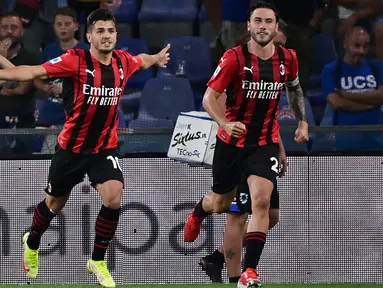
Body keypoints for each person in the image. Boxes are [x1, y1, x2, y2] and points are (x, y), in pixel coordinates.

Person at [0, 8, 170, 288]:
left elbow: (143, 60)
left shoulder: (123, 62)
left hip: (104, 148)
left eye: (111, 31)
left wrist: (157, 58)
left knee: (114, 197)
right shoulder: (74, 60)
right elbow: (32, 71)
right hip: (71, 149)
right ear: (89, 36)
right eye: (100, 31)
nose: (106, 36)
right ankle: (31, 241)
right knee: (54, 204)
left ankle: (97, 260)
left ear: (116, 35)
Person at [183, 2, 308, 287]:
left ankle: (246, 272)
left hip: (262, 144)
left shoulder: (288, 60)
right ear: (249, 26)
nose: (263, 26)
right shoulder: (233, 59)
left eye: (268, 22)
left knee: (262, 205)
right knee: (225, 205)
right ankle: (202, 210)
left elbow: (293, 90)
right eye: (258, 21)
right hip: (231, 144)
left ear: (276, 27)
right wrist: (225, 123)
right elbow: (208, 99)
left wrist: (302, 122)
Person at [199, 29, 289, 283]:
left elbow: (268, 118)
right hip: (237, 151)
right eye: (277, 43)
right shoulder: (237, 71)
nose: (279, 49)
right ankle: (235, 276)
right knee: (237, 213)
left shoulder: (274, 74)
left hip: (263, 148)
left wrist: (279, 146)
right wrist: (226, 126)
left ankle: (217, 258)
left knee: (270, 215)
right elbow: (214, 105)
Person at [324, 26, 383, 151]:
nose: (361, 51)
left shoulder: (377, 67)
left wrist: (347, 95)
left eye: (365, 46)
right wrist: (372, 104)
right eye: (356, 45)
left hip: (376, 140)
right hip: (346, 140)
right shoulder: (332, 70)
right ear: (345, 44)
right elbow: (337, 103)